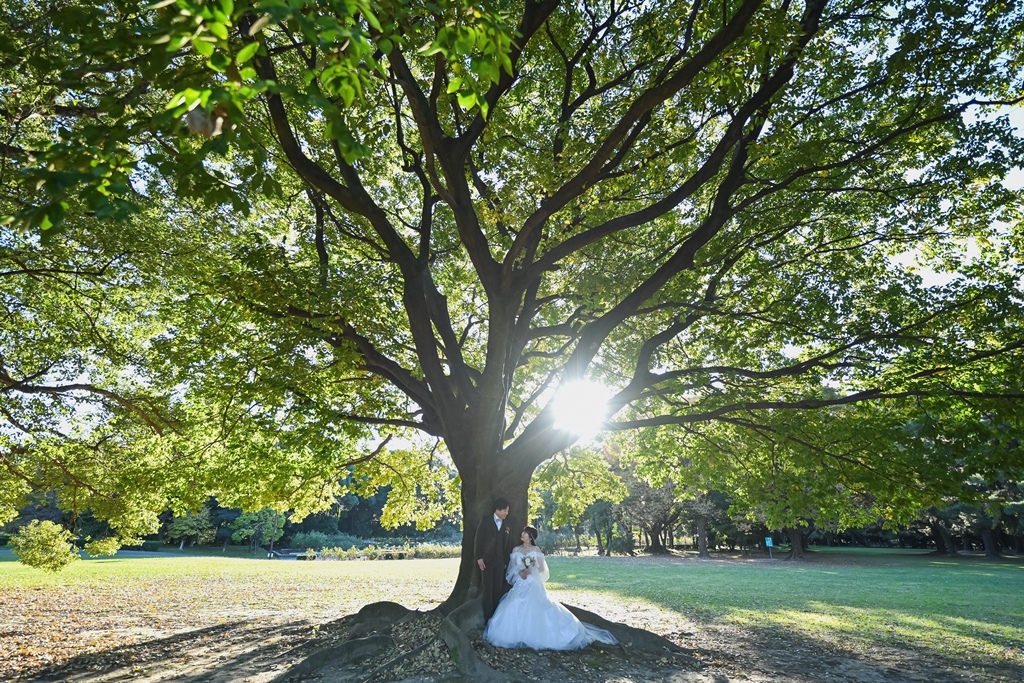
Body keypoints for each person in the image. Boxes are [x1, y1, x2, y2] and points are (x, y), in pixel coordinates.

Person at [483, 526, 619, 650]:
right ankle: (513, 634)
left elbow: (542, 569)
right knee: (513, 603)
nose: (522, 534)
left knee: (537, 605)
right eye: (523, 532)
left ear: (530, 537)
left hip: (532, 582)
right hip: (520, 582)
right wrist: (519, 571)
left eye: (525, 533)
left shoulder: (536, 550)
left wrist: (530, 570)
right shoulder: (516, 550)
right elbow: (512, 567)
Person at [475, 497, 512, 622]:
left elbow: (507, 545)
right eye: (505, 511)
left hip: (500, 562)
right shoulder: (485, 521)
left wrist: (505, 561)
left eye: (507, 511)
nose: (506, 513)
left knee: (497, 590)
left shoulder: (507, 525)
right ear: (498, 509)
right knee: (487, 590)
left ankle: (496, 619)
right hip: (486, 561)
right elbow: (478, 540)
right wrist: (479, 557)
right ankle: (488, 619)